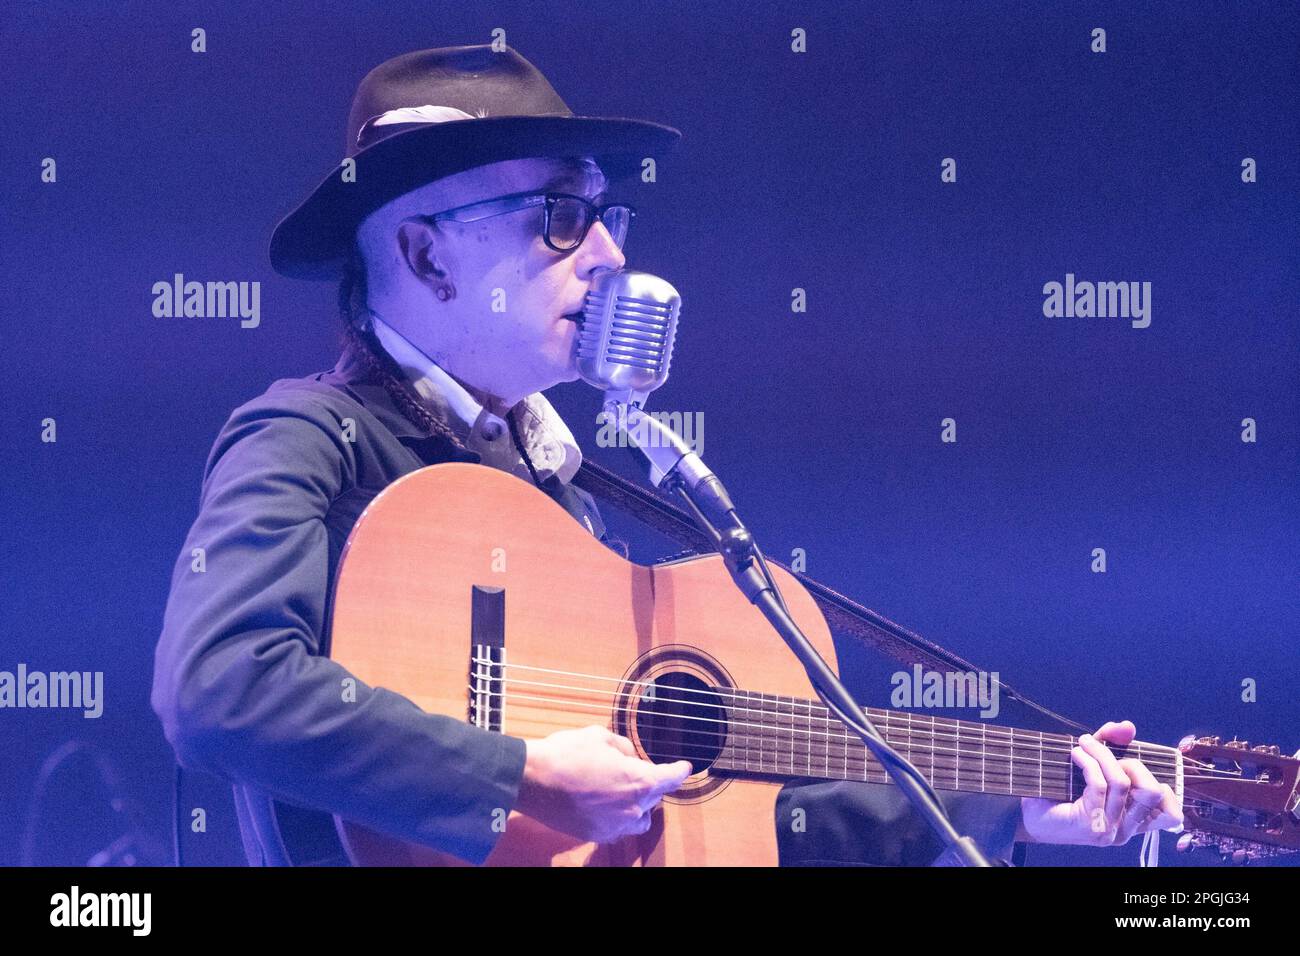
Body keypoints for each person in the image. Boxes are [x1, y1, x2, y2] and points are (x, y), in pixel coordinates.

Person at [151, 44, 1182, 867]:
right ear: (423, 251)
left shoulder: (560, 504)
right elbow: (218, 686)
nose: (609, 255)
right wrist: (515, 776)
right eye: (561, 216)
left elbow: (725, 820)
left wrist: (1019, 803)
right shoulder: (308, 436)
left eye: (606, 217)